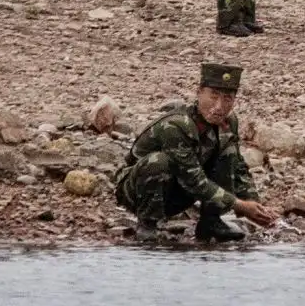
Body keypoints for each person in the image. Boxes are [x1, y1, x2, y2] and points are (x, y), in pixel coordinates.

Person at [114, 63, 278, 243]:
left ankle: (211, 222)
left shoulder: (228, 123)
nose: (219, 107)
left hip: (180, 191)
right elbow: (193, 180)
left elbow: (237, 167)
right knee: (158, 161)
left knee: (228, 152)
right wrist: (240, 205)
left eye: (227, 99)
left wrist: (256, 206)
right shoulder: (175, 126)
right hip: (136, 193)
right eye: (213, 96)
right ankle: (148, 225)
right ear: (199, 92)